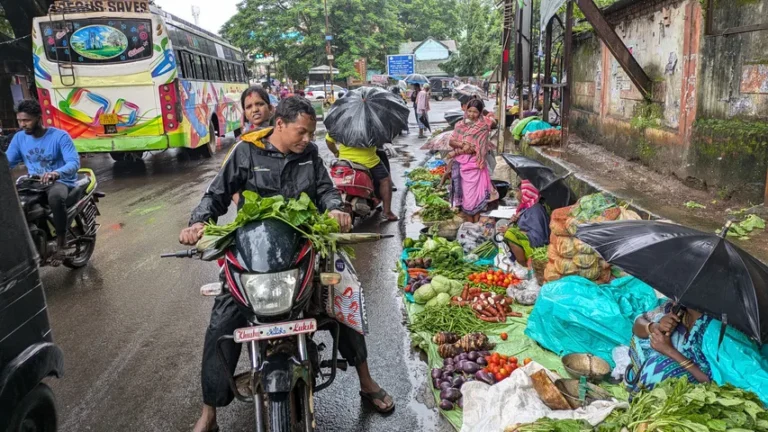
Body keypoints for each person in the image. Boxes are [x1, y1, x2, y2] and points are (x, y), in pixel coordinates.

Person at [180, 97, 395, 432]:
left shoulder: (308, 155)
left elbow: (325, 191)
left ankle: (366, 381)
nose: (308, 139)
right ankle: (209, 412)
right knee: (219, 327)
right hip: (253, 259)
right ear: (279, 124)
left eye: (311, 132)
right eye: (302, 131)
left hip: (302, 252)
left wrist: (336, 207)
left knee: (345, 296)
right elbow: (215, 196)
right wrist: (197, 223)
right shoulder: (245, 152)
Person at [6, 99, 79, 263]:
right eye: (20, 121)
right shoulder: (19, 138)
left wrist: (56, 173)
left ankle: (62, 243)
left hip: (60, 181)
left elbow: (74, 163)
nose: (22, 124)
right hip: (33, 183)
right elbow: (7, 162)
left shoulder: (60, 136)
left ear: (39, 118)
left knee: (55, 198)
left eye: (26, 120)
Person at [626, 302, 712, 392]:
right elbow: (637, 325)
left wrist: (669, 350)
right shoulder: (674, 308)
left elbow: (709, 381)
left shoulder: (712, 330)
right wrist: (656, 327)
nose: (675, 300)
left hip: (693, 378)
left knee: (658, 367)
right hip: (653, 361)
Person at [325, 133, 397, 222]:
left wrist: (336, 152)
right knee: (385, 180)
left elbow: (329, 141)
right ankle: (387, 212)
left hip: (344, 161)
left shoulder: (340, 123)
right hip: (369, 161)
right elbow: (381, 139)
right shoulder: (371, 122)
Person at [447, 98, 497, 222]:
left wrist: (467, 148)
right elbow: (451, 141)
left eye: (475, 112)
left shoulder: (483, 128)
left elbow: (479, 148)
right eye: (469, 111)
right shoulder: (459, 125)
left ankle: (476, 225)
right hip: (462, 167)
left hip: (476, 166)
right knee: (466, 199)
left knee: (478, 198)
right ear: (466, 110)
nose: (471, 114)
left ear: (480, 113)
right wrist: (462, 146)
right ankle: (470, 224)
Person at [503, 180, 550, 264]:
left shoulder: (536, 210)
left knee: (510, 233)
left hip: (535, 247)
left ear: (526, 192)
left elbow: (539, 237)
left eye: (518, 191)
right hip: (526, 240)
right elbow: (524, 225)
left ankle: (523, 264)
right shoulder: (527, 206)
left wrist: (512, 230)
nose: (516, 194)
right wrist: (516, 220)